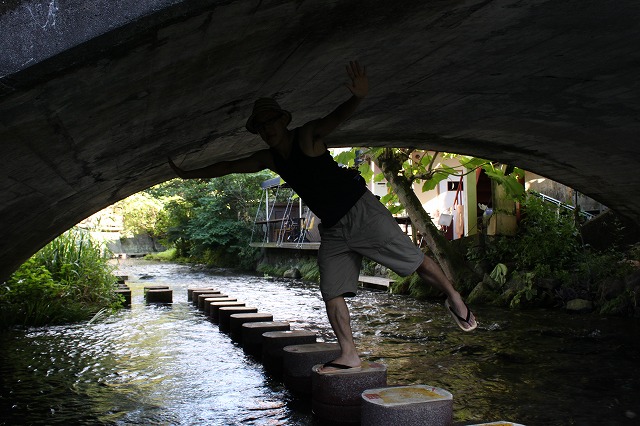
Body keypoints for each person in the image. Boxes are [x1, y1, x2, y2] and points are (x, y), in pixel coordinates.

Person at [168, 61, 477, 371]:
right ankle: (349, 354)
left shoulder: (307, 136)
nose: (266, 130)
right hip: (333, 229)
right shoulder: (271, 158)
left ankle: (454, 296)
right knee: (331, 291)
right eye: (260, 127)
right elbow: (228, 166)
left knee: (413, 261)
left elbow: (335, 118)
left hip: (361, 212)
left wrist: (358, 97)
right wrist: (187, 174)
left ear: (283, 121)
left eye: (269, 122)